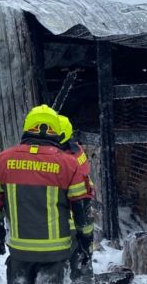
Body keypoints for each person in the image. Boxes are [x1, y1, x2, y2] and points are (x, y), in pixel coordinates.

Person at [0, 105, 94, 284]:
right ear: (56, 130)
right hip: (55, 253)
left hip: (19, 251)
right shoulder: (68, 164)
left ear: (27, 127)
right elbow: (81, 207)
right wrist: (85, 239)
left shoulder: (3, 160)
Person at [57, 115, 94, 282]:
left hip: (66, 223)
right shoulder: (77, 151)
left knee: (67, 267)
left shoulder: (63, 161)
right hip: (80, 220)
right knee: (82, 263)